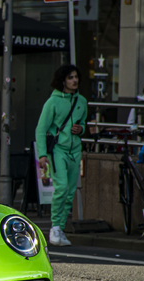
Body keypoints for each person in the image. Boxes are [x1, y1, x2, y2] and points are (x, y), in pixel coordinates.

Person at [35, 64, 88, 247]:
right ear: (62, 81)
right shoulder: (52, 102)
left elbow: (83, 124)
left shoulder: (82, 101)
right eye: (70, 77)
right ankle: (55, 227)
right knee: (62, 188)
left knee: (70, 191)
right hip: (58, 149)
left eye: (76, 77)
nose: (75, 80)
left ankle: (61, 229)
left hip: (75, 150)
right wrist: (42, 155)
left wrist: (81, 129)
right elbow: (41, 130)